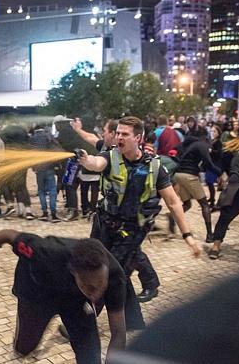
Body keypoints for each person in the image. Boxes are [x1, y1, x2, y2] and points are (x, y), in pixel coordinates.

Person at [78, 116, 201, 326]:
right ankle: (134, 320)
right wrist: (85, 159)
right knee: (99, 267)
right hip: (105, 224)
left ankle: (86, 318)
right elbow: (96, 164)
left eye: (125, 134)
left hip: (132, 231)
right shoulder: (109, 156)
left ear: (138, 137)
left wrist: (187, 236)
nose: (119, 137)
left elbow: (173, 202)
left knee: (109, 272)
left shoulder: (155, 167)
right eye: (117, 133)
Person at [0, 230, 127, 364]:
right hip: (36, 294)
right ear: (74, 273)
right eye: (89, 287)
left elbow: (118, 332)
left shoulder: (115, 277)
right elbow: (6, 235)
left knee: (90, 357)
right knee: (25, 347)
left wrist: (89, 293)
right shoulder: (45, 252)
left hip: (75, 301)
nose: (96, 294)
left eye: (100, 286)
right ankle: (25, 338)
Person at [171, 127, 224, 242]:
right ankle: (210, 235)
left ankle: (172, 217)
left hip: (178, 174)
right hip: (189, 175)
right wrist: (221, 173)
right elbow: (208, 163)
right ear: (204, 137)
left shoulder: (189, 144)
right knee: (204, 204)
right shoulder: (201, 145)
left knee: (187, 204)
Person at [29, 123, 61, 222]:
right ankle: (54, 214)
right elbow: (55, 151)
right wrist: (57, 164)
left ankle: (45, 213)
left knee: (41, 191)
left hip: (39, 168)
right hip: (50, 167)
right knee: (52, 190)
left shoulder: (32, 139)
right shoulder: (49, 137)